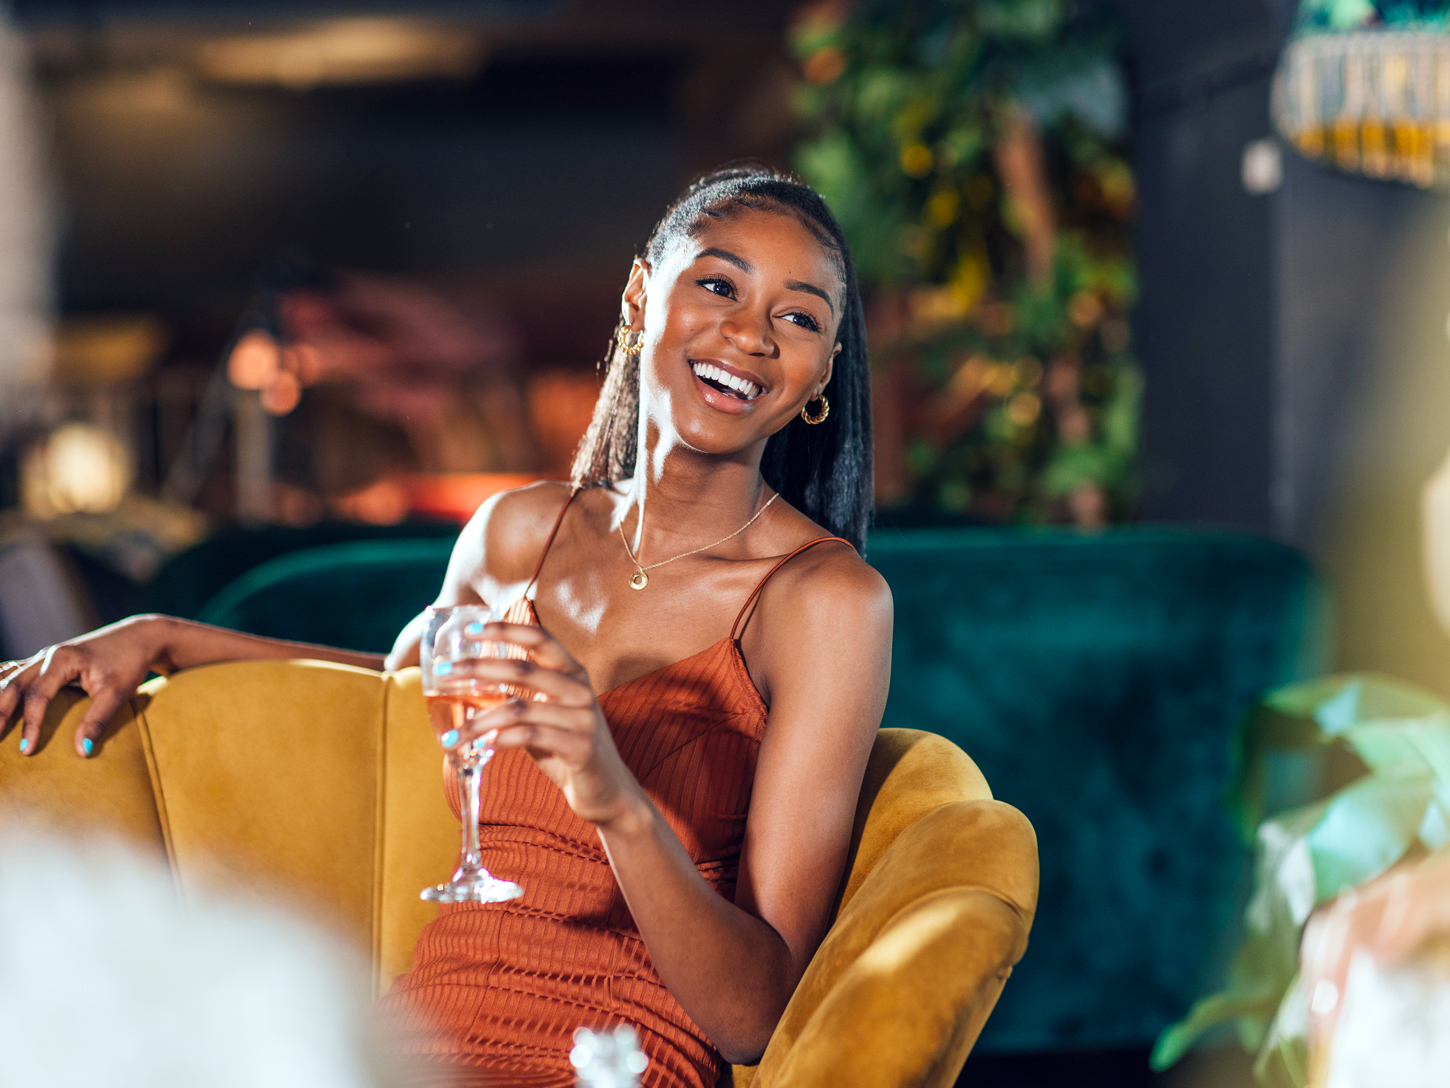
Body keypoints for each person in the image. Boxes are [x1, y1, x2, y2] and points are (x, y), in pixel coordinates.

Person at [0, 166, 893, 1088]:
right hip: (414, 1046)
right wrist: (165, 636)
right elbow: (398, 693)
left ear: (821, 371)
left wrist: (612, 792)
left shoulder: (826, 602)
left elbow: (753, 1018)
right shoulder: (518, 534)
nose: (749, 334)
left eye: (797, 317)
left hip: (611, 1061)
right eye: (718, 285)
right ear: (639, 296)